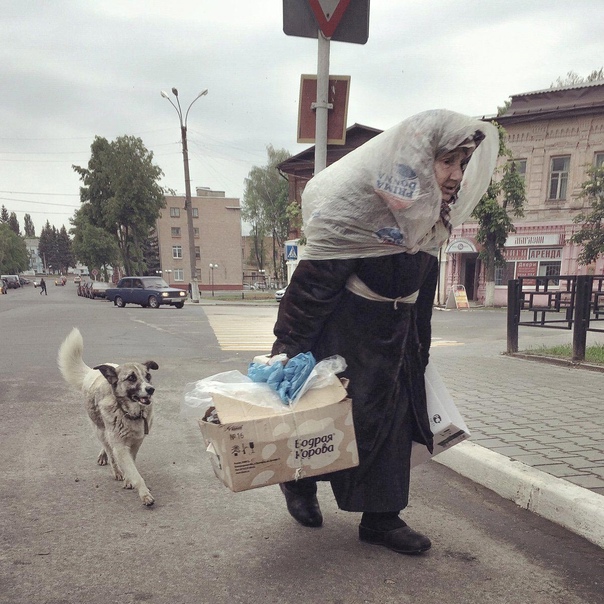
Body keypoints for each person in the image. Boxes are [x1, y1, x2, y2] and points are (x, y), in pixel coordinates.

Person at [270, 109, 498, 555]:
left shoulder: (432, 215)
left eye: (462, 164)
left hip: (396, 339)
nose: (455, 176)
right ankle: (298, 483)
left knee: (393, 426)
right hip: (344, 336)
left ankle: (382, 519)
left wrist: (421, 349)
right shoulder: (357, 210)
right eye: (447, 161)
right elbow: (313, 285)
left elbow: (424, 287)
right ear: (420, 159)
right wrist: (287, 347)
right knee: (327, 419)